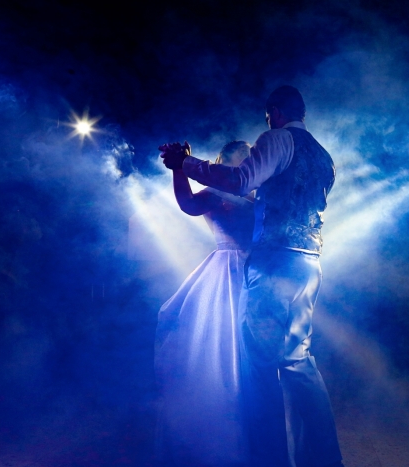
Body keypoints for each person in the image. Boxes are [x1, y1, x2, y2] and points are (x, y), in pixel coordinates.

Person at [160, 85, 343, 467]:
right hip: (309, 262)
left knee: (258, 368)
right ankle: (322, 459)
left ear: (273, 112)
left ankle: (268, 459)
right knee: (299, 363)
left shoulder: (277, 139)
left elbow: (240, 181)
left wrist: (185, 164)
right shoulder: (325, 158)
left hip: (274, 263)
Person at [154, 141, 254, 467]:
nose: (243, 163)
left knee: (250, 350)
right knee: (216, 346)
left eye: (247, 158)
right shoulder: (215, 195)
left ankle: (251, 426)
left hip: (258, 270)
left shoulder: (258, 192)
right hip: (225, 271)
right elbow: (185, 203)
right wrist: (179, 168)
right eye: (238, 159)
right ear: (225, 163)